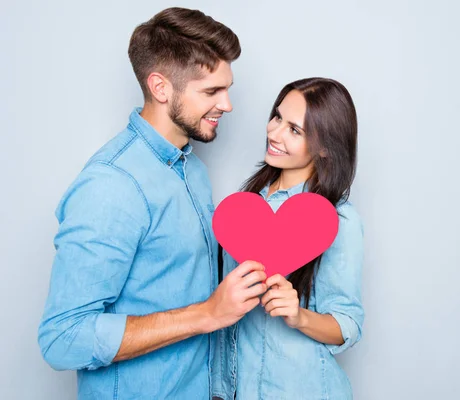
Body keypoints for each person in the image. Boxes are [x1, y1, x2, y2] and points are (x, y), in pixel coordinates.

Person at [37, 7, 267, 399]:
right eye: (212, 91)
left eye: (227, 89)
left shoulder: (191, 168)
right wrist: (207, 314)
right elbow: (62, 338)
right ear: (161, 88)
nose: (227, 105)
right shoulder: (111, 185)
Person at [212, 78, 365, 400]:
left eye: (295, 130)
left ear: (324, 146)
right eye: (277, 117)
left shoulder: (339, 219)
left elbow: (347, 325)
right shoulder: (245, 206)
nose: (274, 133)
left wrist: (298, 316)